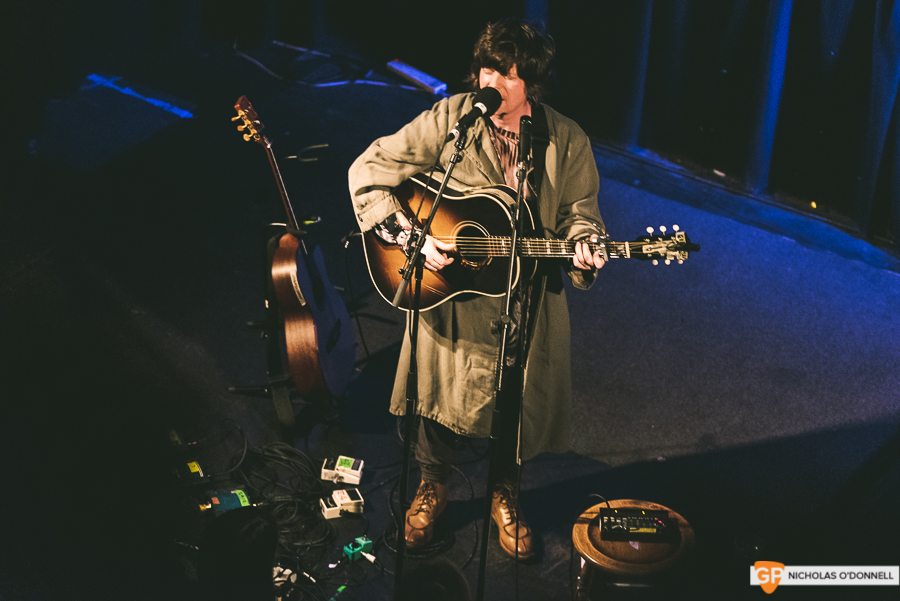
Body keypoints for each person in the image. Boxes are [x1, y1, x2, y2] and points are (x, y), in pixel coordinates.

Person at [348, 18, 606, 560]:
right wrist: (411, 236)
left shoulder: (565, 139)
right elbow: (369, 169)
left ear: (531, 83)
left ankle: (504, 495)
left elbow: (582, 217)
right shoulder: (452, 117)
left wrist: (585, 246)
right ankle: (432, 487)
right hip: (453, 297)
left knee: (512, 402)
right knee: (438, 396)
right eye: (488, 68)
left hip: (523, 300)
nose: (493, 81)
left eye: (508, 74)